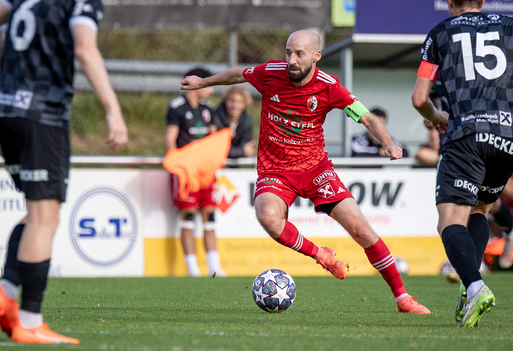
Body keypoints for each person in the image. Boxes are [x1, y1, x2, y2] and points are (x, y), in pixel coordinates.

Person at [181, 29, 430, 314]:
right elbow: (238, 74)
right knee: (268, 217)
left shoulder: (329, 86)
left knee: (361, 229)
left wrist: (388, 142)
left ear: (316, 56)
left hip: (315, 170)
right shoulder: (271, 73)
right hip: (275, 170)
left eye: (299, 54)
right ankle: (320, 255)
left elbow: (366, 116)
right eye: (288, 52)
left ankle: (403, 298)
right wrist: (204, 82)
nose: (292, 60)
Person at [0, 0, 128, 344]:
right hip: (42, 115)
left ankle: (6, 291)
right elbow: (84, 47)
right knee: (45, 218)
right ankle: (28, 321)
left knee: (35, 213)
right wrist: (113, 109)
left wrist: (10, 71)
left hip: (5, 108)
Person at [411, 0, 513, 327]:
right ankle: (469, 283)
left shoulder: (440, 33)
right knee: (479, 208)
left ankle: (476, 285)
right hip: (510, 135)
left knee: (449, 219)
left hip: (467, 132)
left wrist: (436, 117)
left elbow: (419, 98)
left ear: (449, 0)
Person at [165, 67, 226, 277]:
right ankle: (192, 268)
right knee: (187, 217)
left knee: (209, 216)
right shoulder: (177, 107)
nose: (210, 90)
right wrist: (177, 165)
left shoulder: (208, 108)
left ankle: (214, 267)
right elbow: (170, 139)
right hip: (186, 174)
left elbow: (213, 138)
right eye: (207, 85)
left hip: (206, 173)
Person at [213, 85, 255, 159]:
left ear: (245, 104)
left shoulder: (247, 121)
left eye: (240, 102)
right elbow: (215, 149)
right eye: (232, 101)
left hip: (235, 167)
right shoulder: (214, 118)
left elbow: (248, 148)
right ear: (225, 101)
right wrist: (242, 151)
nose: (235, 106)